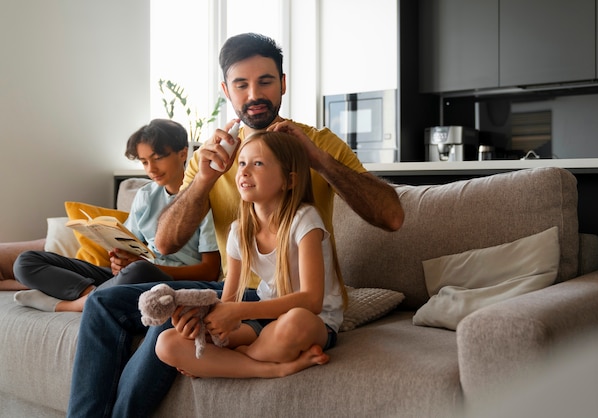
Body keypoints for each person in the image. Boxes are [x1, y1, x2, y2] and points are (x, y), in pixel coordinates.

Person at [67, 33, 404, 417]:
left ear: (283, 83)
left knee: (169, 329)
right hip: (229, 289)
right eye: (241, 84)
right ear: (227, 90)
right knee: (103, 302)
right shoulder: (216, 153)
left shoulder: (317, 143)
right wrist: (205, 180)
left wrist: (318, 160)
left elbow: (392, 217)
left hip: (278, 297)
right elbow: (165, 241)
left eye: (265, 81)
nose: (254, 94)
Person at [155, 131, 342, 378]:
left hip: (315, 321)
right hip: (265, 320)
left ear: (290, 180)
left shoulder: (304, 220)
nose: (243, 171)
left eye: (258, 164)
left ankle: (236, 361)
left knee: (294, 322)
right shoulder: (239, 231)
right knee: (167, 342)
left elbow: (311, 300)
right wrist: (204, 325)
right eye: (242, 163)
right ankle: (274, 367)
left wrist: (239, 313)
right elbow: (229, 302)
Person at [12, 119, 220, 312]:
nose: (151, 169)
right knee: (26, 261)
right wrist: (120, 260)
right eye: (144, 161)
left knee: (139, 272)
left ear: (183, 153)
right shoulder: (145, 195)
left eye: (158, 158)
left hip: (166, 279)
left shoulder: (203, 199)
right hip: (131, 276)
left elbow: (210, 271)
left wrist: (148, 267)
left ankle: (71, 305)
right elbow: (131, 244)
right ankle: (91, 295)